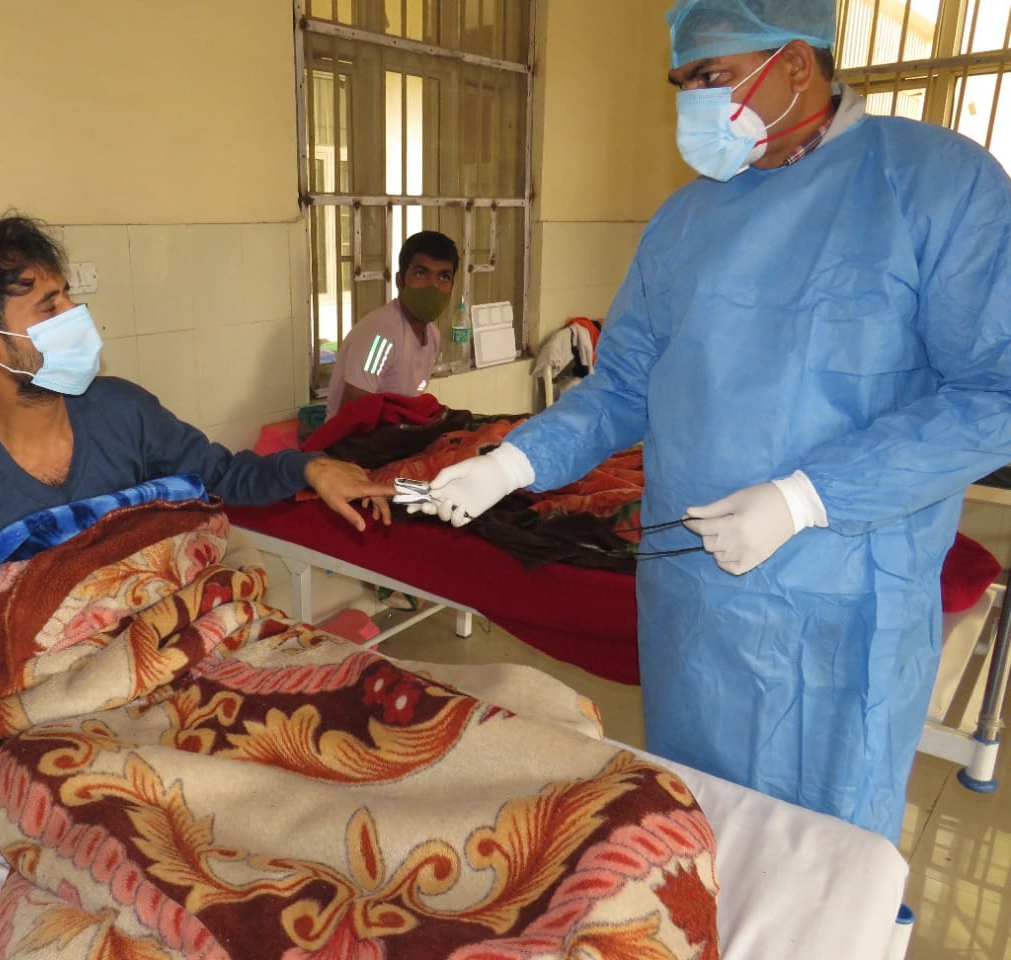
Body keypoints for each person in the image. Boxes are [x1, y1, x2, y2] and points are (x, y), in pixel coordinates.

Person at [411, 0, 1011, 842]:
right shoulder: (687, 219)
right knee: (696, 831)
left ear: (795, 62)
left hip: (839, 606)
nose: (693, 101)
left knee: (816, 853)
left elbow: (995, 392)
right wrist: (511, 463)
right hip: (695, 601)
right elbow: (622, 386)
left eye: (711, 76)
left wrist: (807, 498)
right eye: (683, 82)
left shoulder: (934, 185)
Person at [0, 214, 395, 589]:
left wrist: (310, 468)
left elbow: (222, 476)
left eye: (68, 296)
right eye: (51, 307)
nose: (77, 314)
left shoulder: (124, 413)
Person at [325, 230, 459, 417]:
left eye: (443, 277)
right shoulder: (381, 336)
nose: (433, 285)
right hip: (358, 435)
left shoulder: (433, 337)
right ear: (400, 281)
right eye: (421, 273)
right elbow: (352, 417)